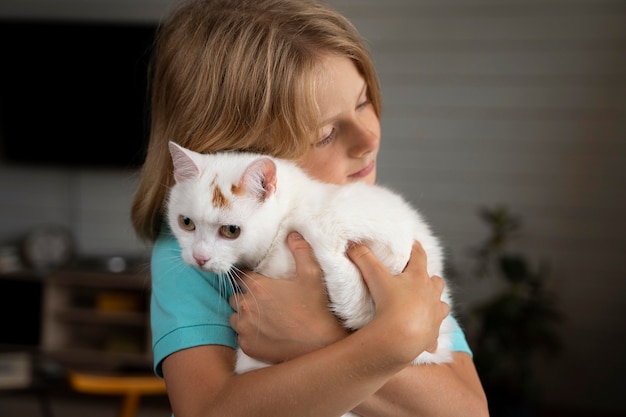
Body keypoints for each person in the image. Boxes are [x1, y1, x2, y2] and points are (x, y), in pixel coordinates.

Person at [130, 0, 489, 416]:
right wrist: (387, 343)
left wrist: (319, 337)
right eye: (324, 134)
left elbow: (467, 410)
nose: (367, 138)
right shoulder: (192, 257)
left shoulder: (376, 228)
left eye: (362, 102)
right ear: (243, 152)